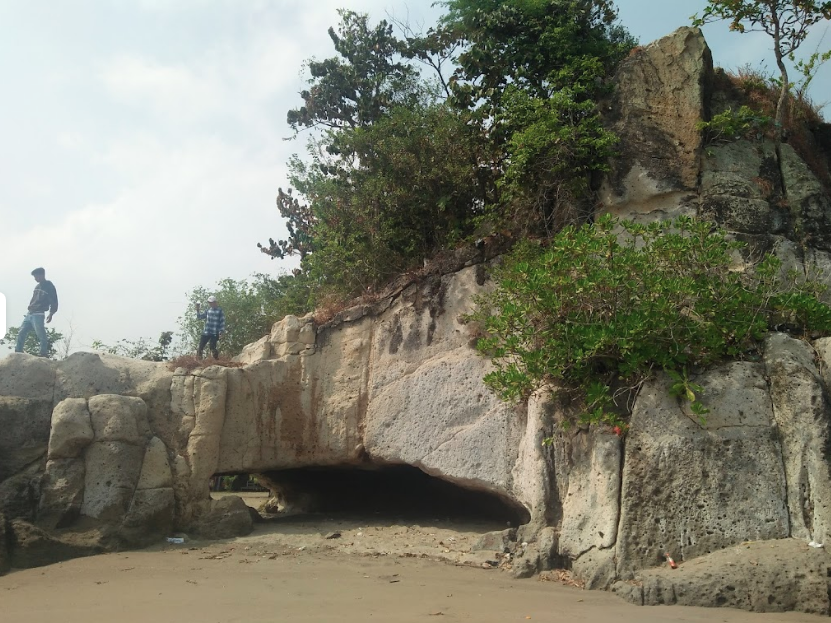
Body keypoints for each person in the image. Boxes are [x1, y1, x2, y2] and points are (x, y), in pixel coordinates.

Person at [15, 267, 59, 357]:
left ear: (42, 275)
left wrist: (51, 313)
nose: (35, 279)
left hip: (38, 314)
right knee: (21, 332)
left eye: (36, 276)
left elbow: (54, 301)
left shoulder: (49, 286)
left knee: (41, 334)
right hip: (30, 313)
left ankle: (43, 353)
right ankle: (18, 351)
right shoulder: (37, 286)